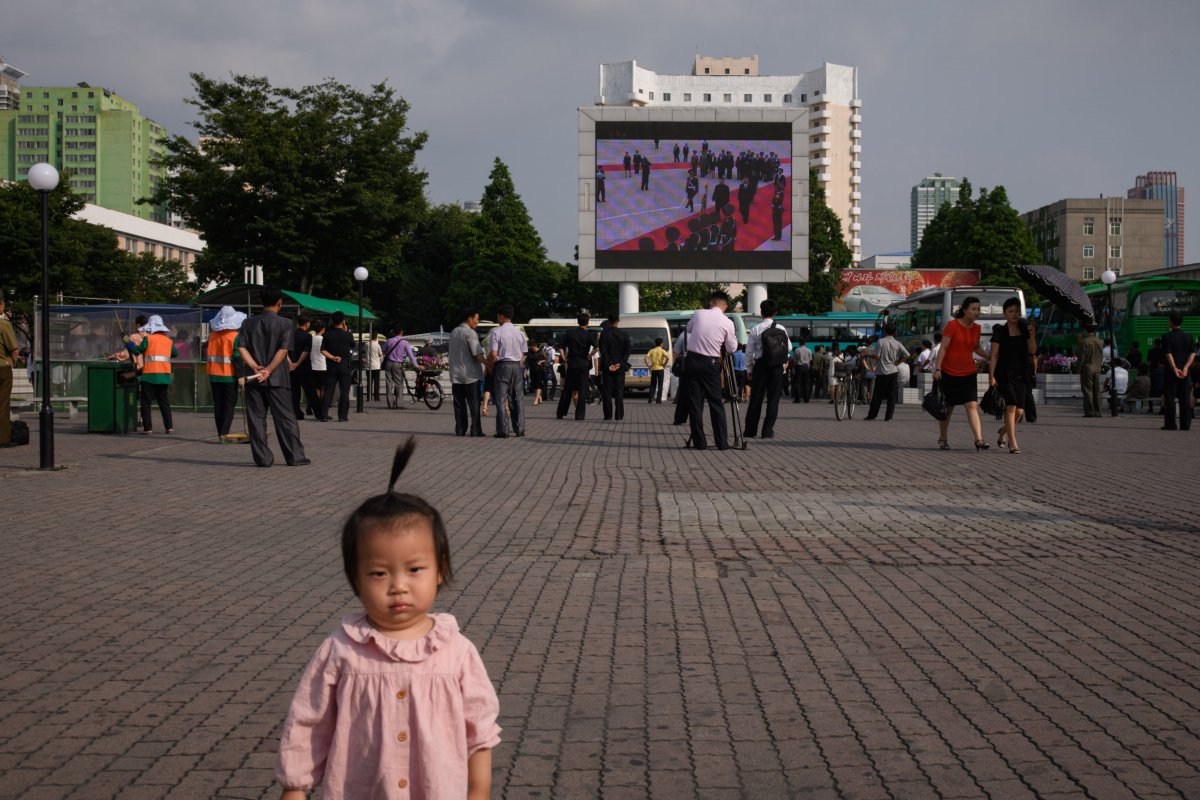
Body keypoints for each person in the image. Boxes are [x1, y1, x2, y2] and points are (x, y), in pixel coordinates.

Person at [275, 439, 500, 800]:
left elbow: (480, 731)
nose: (398, 586)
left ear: (439, 570)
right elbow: (308, 723)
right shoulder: (340, 650)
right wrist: (295, 787)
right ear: (355, 578)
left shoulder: (457, 651)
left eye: (414, 569)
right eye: (379, 573)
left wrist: (478, 791)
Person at [236, 287, 309, 467]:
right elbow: (283, 350)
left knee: (256, 419)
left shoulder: (248, 323)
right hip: (277, 378)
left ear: (261, 302)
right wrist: (268, 369)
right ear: (279, 303)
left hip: (254, 378)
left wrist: (255, 366)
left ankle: (263, 458)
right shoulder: (285, 323)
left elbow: (241, 347)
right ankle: (294, 456)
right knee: (285, 418)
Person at [932, 296, 991, 450]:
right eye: (973, 309)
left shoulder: (977, 328)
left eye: (978, 309)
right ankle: (943, 437)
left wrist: (989, 357)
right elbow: (943, 348)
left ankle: (978, 439)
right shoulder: (952, 325)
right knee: (948, 408)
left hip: (969, 373)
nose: (977, 312)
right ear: (965, 310)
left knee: (972, 405)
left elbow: (976, 347)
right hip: (949, 372)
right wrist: (937, 369)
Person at [684, 291, 738, 450]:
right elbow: (732, 347)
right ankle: (721, 442)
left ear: (710, 303)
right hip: (711, 363)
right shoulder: (727, 322)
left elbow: (689, 329)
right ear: (725, 306)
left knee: (695, 403)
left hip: (692, 360)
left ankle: (699, 443)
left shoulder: (698, 313)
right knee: (716, 402)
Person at [988, 298, 1037, 453]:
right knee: (1010, 406)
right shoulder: (1000, 332)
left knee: (1020, 411)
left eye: (1016, 311)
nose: (1014, 314)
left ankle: (1003, 432)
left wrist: (1032, 335)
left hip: (1022, 373)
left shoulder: (1024, 330)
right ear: (1005, 314)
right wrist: (991, 377)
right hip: (1004, 373)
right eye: (1011, 311)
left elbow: (1032, 351)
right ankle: (1013, 442)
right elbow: (994, 356)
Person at [743, 299, 792, 439]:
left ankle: (750, 431)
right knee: (773, 400)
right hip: (776, 367)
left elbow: (749, 352)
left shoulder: (755, 329)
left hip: (760, 366)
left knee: (756, 400)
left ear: (761, 312)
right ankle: (767, 431)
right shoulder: (781, 329)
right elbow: (788, 347)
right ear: (775, 313)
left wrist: (749, 369)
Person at [127, 315, 177, 434]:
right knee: (163, 401)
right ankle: (169, 427)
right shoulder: (169, 341)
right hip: (164, 376)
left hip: (149, 375)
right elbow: (175, 353)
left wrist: (128, 343)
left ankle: (148, 428)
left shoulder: (148, 339)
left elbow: (136, 351)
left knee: (146, 402)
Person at [206, 306, 246, 438]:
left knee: (218, 404)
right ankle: (224, 432)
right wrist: (241, 376)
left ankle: (220, 432)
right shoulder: (234, 336)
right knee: (229, 404)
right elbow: (237, 357)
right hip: (228, 375)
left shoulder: (212, 335)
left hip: (213, 375)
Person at [487, 305, 526, 438]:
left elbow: (493, 354)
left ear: (502, 316)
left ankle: (503, 430)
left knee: (501, 399)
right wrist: (519, 367)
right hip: (516, 366)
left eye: (498, 316)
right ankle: (519, 429)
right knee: (518, 398)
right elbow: (522, 354)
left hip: (502, 365)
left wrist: (490, 366)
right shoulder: (520, 333)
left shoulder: (497, 332)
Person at [448, 307, 486, 437]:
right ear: (470, 318)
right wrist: (488, 364)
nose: (478, 322)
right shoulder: (470, 333)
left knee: (459, 404)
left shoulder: (453, 332)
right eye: (477, 319)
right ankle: (475, 430)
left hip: (456, 375)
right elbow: (477, 354)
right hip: (470, 375)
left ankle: (460, 429)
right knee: (474, 403)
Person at [862, 324, 910, 422]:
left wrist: (866, 354)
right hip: (893, 372)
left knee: (877, 396)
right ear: (895, 332)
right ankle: (889, 417)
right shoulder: (897, 343)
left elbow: (876, 356)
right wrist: (898, 362)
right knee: (892, 396)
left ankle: (872, 415)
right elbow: (907, 355)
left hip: (882, 372)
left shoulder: (881, 341)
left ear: (885, 331)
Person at [1162, 312, 1196, 431]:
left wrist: (1174, 368)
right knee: (1185, 397)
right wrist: (1186, 367)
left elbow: (1168, 353)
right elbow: (1192, 353)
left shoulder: (1167, 336)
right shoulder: (1189, 336)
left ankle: (1171, 424)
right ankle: (1185, 424)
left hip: (1172, 372)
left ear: (1171, 321)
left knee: (1170, 397)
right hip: (1186, 372)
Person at [556, 314, 594, 421]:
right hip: (584, 364)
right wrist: (589, 355)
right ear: (588, 323)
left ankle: (561, 413)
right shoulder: (588, 335)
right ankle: (579, 415)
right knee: (582, 390)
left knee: (567, 389)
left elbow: (561, 346)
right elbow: (596, 347)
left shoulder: (570, 333)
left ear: (577, 322)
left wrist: (564, 358)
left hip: (572, 363)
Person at [319, 312, 354, 422]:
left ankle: (324, 415)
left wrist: (333, 357)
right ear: (343, 321)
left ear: (332, 321)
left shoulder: (327, 334)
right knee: (344, 391)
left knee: (329, 390)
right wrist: (346, 330)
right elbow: (353, 345)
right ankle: (342, 416)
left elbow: (322, 350)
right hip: (345, 366)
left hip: (331, 365)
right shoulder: (348, 335)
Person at [598, 313, 632, 421]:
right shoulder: (624, 334)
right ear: (618, 320)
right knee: (619, 391)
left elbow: (603, 351)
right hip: (620, 367)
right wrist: (620, 363)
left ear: (608, 320)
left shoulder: (604, 334)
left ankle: (608, 415)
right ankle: (619, 415)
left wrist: (609, 364)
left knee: (607, 391)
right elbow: (627, 351)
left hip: (607, 367)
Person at [383, 327, 419, 409]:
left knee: (388, 384)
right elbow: (411, 355)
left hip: (388, 363)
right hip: (397, 364)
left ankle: (390, 404)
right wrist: (416, 365)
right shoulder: (404, 342)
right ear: (401, 332)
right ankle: (398, 404)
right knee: (398, 384)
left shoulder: (389, 340)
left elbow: (383, 349)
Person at [0, 295, 18, 445]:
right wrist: (14, 362)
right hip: (3, 367)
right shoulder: (4, 325)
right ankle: (3, 438)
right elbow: (14, 349)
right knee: (3, 403)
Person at [288, 316, 313, 421]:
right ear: (307, 324)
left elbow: (284, 350)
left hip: (291, 368)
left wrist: (290, 363)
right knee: (310, 390)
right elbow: (306, 351)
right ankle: (319, 413)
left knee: (294, 391)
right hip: (304, 366)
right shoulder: (307, 336)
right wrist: (297, 363)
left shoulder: (290, 335)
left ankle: (296, 412)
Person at [1078, 325, 1104, 418]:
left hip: (1087, 368)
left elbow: (1081, 357)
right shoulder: (1100, 341)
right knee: (1097, 390)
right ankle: (1098, 411)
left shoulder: (1085, 342)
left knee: (1087, 390)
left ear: (1085, 330)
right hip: (1097, 368)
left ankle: (1089, 412)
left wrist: (1078, 368)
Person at [308, 321, 327, 417]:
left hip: (312, 365)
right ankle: (321, 408)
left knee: (314, 388)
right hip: (322, 366)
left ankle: (310, 406)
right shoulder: (323, 339)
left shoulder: (311, 338)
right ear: (323, 329)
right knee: (322, 388)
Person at [645, 337, 669, 403]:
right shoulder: (663, 350)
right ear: (661, 344)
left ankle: (650, 398)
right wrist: (664, 364)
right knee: (660, 385)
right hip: (660, 369)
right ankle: (658, 400)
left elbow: (645, 358)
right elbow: (668, 357)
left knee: (653, 384)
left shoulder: (651, 350)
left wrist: (649, 366)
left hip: (654, 369)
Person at [366, 333, 384, 401]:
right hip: (376, 365)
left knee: (369, 382)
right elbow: (381, 355)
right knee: (376, 382)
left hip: (368, 365)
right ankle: (376, 397)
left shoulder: (366, 344)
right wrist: (380, 359)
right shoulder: (377, 345)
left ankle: (369, 397)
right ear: (376, 337)